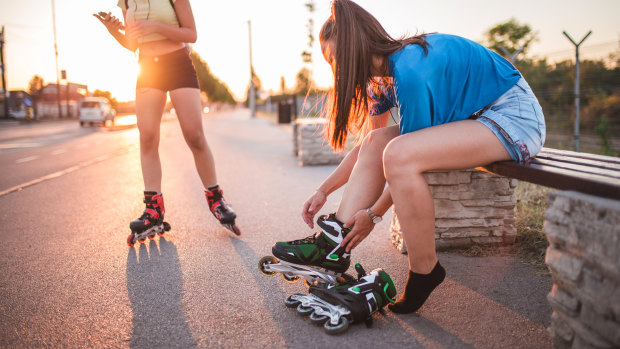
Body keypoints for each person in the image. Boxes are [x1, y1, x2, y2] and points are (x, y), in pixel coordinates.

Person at [276, 0, 545, 314]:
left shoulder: (411, 69)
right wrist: (323, 190)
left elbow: (403, 160)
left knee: (400, 152)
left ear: (353, 48)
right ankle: (333, 244)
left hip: (514, 118)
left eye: (334, 60)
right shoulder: (382, 78)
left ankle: (425, 270)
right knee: (380, 140)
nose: (335, 71)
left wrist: (373, 216)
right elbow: (370, 147)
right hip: (476, 118)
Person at [94, 0, 240, 245]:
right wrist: (114, 30)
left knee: (194, 135)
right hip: (148, 68)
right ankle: (154, 209)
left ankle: (216, 199)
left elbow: (191, 34)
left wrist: (153, 25)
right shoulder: (126, 1)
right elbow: (133, 44)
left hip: (177, 63)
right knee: (148, 137)